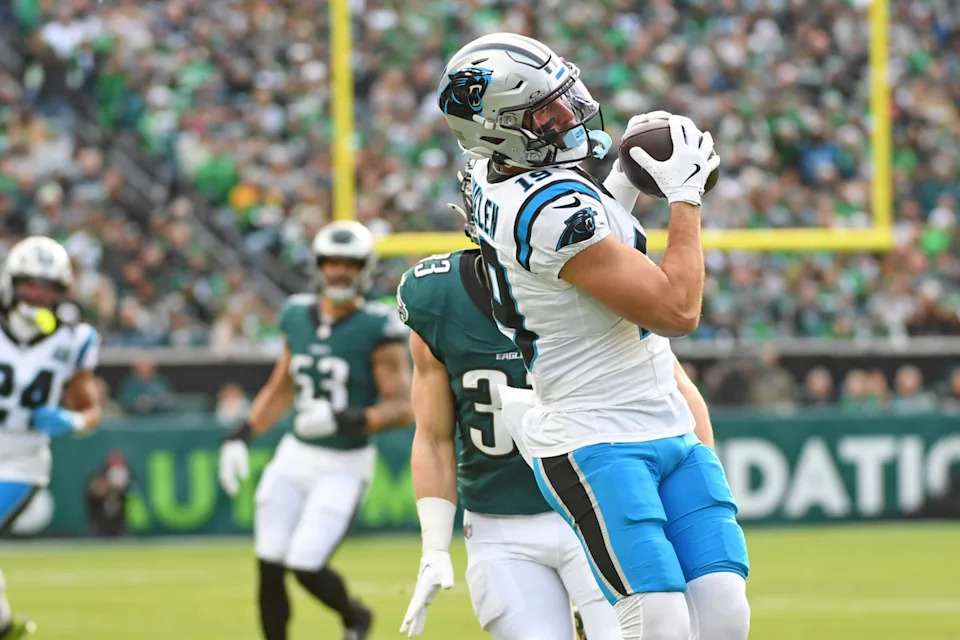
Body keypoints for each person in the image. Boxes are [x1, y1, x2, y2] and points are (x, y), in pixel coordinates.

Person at [437, 33, 749, 639]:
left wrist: (625, 183)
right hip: (594, 433)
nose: (567, 113)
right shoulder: (546, 212)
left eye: (563, 96)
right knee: (658, 621)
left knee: (724, 614)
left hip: (661, 416)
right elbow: (677, 310)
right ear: (498, 132)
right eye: (543, 112)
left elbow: (597, 226)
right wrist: (684, 196)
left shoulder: (502, 174)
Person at [396, 165, 621, 640]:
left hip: (599, 507)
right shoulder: (438, 299)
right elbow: (433, 437)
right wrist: (434, 547)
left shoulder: (597, 277)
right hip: (500, 525)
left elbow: (668, 387)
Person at [217, 221, 413, 640]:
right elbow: (281, 386)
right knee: (269, 562)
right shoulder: (295, 315)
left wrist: (345, 418)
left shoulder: (377, 325)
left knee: (305, 564)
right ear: (318, 266)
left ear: (364, 269)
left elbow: (403, 408)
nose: (340, 271)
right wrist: (242, 433)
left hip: (344, 461)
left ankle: (355, 616)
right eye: (332, 262)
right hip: (295, 453)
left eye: (350, 263)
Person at [0, 236, 102, 639]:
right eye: (29, 283)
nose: (37, 295)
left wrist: (71, 421)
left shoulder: (73, 339)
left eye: (47, 287)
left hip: (20, 462)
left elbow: (90, 410)